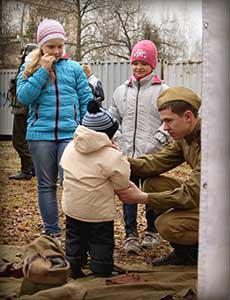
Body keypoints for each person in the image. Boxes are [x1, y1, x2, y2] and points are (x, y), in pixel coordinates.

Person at [16, 19, 93, 240]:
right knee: (46, 186)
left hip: (70, 135)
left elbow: (87, 100)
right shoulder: (29, 67)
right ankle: (53, 233)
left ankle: (75, 233)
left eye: (60, 46)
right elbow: (23, 97)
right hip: (40, 136)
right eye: (51, 46)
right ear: (41, 46)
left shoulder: (74, 68)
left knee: (71, 185)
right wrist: (42, 71)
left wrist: (90, 128)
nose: (57, 51)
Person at [116, 86, 201, 266]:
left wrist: (142, 198)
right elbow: (155, 162)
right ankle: (185, 253)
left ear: (188, 116)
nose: (165, 128)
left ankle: (204, 253)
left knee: (166, 224)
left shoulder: (212, 142)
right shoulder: (185, 136)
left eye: (169, 121)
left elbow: (191, 195)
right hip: (210, 199)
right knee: (153, 183)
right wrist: (119, 160)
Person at [109, 40, 170, 254]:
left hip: (153, 155)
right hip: (128, 155)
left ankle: (152, 231)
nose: (138, 68)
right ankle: (131, 235)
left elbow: (168, 120)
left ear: (152, 65)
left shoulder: (163, 91)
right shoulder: (121, 91)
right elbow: (112, 116)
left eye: (143, 63)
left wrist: (159, 140)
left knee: (151, 192)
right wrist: (116, 137)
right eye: (135, 63)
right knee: (128, 193)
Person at [60, 100, 130, 278]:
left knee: (74, 237)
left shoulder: (69, 147)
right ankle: (101, 267)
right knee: (101, 240)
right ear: (109, 135)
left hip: (73, 207)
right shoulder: (112, 156)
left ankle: (73, 265)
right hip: (98, 212)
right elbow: (122, 182)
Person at [7, 43, 38, 180]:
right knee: (27, 141)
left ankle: (27, 170)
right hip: (23, 109)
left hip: (23, 110)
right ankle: (33, 169)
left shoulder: (29, 67)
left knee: (19, 141)